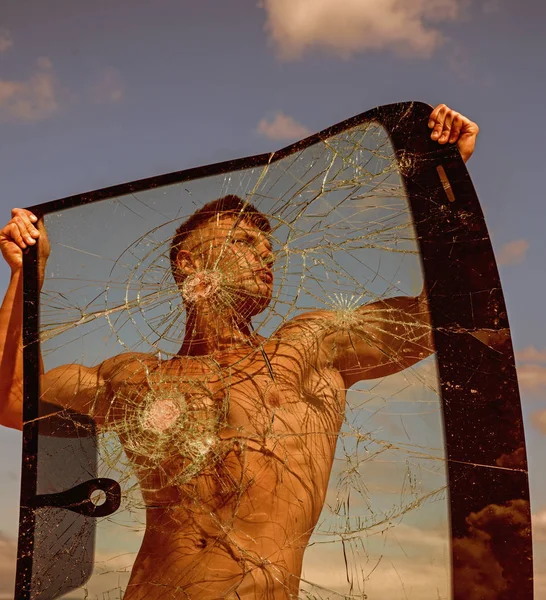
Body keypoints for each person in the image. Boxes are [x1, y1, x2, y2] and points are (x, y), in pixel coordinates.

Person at [0, 104, 479, 599]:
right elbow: (14, 399)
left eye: (268, 252)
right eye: (245, 241)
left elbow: (437, 315)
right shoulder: (133, 378)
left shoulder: (310, 349)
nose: (264, 256)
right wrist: (23, 276)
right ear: (188, 262)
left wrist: (442, 180)